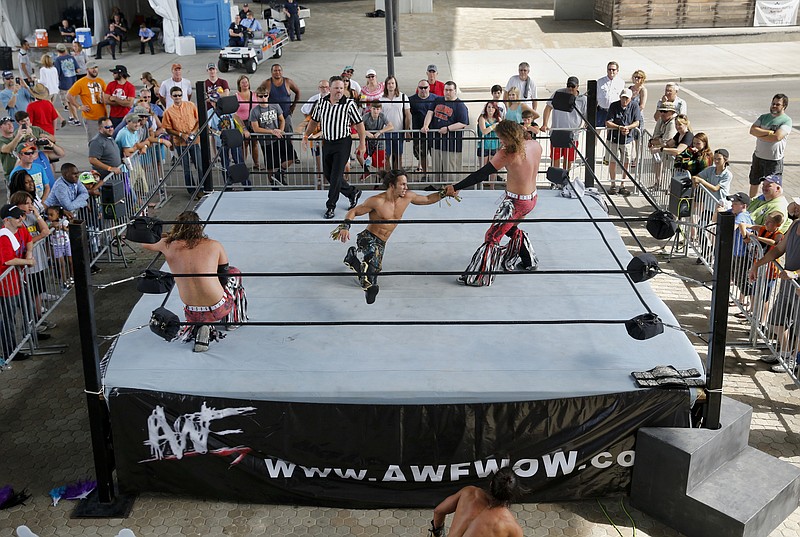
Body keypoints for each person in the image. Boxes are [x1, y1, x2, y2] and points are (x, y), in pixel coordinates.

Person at [444, 120, 542, 286]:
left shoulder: (508, 153)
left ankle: (478, 275)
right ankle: (528, 260)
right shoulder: (535, 145)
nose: (500, 142)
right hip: (531, 199)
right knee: (510, 229)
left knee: (492, 236)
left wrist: (456, 186)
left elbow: (481, 174)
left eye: (502, 139)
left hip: (515, 203)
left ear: (510, 137)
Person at [332, 169, 450, 304]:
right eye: (403, 184)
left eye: (406, 184)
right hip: (368, 238)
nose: (406, 187)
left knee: (372, 273)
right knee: (372, 261)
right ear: (392, 185)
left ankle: (353, 259)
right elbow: (354, 211)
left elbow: (428, 199)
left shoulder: (407, 197)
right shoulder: (377, 201)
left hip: (382, 242)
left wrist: (445, 193)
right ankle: (368, 283)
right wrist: (345, 226)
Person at [141, 210, 243, 353]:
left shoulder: (167, 245)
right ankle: (232, 321)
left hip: (192, 312)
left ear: (176, 227)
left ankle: (201, 326)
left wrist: (165, 235)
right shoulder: (214, 245)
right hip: (219, 308)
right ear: (199, 227)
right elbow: (224, 275)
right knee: (235, 273)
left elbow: (145, 243)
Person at [303, 75, 366, 219]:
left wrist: (362, 144)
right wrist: (306, 135)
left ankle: (330, 206)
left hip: (343, 142)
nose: (339, 91)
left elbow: (360, 125)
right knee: (328, 175)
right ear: (330, 88)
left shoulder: (349, 104)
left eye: (342, 88)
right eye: (336, 88)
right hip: (328, 142)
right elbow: (313, 121)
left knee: (336, 175)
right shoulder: (321, 103)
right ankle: (352, 192)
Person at [750, 199, 800, 373]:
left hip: (796, 283)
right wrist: (757, 264)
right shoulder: (795, 225)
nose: (795, 208)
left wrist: (796, 273)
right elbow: (779, 249)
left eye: (798, 206)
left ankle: (794, 360)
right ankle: (785, 353)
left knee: (799, 327)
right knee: (776, 322)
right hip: (787, 284)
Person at [430, 467, 524, 537]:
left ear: (491, 483)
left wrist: (438, 532)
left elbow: (438, 511)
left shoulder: (469, 492)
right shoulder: (511, 525)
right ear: (513, 495)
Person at [0, 204, 34, 362]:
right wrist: (27, 261)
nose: (22, 218)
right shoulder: (4, 237)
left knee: (27, 308)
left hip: (16, 282)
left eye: (21, 215)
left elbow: (29, 240)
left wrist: (29, 255)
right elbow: (8, 260)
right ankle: (10, 350)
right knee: (8, 319)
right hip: (6, 286)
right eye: (17, 217)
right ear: (7, 220)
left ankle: (30, 337)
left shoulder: (17, 230)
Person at [421, 81, 469, 180]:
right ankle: (436, 185)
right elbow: (430, 113)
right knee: (436, 165)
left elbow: (463, 123)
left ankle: (450, 186)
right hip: (436, 141)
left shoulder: (460, 105)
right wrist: (425, 125)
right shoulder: (438, 100)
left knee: (450, 166)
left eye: (450, 90)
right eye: (446, 90)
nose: (447, 92)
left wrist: (448, 129)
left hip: (451, 143)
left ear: (455, 91)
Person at [748, 94, 792, 198]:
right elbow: (752, 130)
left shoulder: (786, 120)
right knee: (754, 182)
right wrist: (770, 132)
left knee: (772, 188)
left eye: (778, 104)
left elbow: (777, 137)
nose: (774, 106)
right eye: (773, 103)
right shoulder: (763, 117)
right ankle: (752, 204)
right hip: (758, 157)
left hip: (774, 160)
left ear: (784, 106)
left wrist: (760, 135)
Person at [249, 85, 295, 186]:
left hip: (279, 138)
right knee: (270, 165)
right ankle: (272, 184)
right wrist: (271, 132)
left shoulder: (275, 106)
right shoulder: (254, 111)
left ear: (268, 95)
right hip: (266, 142)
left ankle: (280, 173)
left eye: (265, 96)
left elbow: (282, 119)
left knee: (291, 157)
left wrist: (280, 130)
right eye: (260, 96)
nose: (263, 98)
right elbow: (256, 128)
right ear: (257, 97)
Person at [162, 87, 202, 195]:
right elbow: (167, 128)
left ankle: (202, 188)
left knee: (200, 165)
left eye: (179, 95)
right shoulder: (168, 112)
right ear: (171, 96)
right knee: (186, 168)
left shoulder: (191, 105)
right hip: (180, 143)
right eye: (175, 95)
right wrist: (180, 134)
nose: (178, 97)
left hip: (194, 141)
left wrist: (193, 132)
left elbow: (198, 120)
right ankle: (192, 191)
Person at [541, 76, 586, 170]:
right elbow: (548, 108)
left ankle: (566, 178)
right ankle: (555, 181)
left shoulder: (583, 99)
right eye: (568, 86)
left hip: (573, 135)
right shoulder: (558, 93)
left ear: (577, 87)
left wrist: (585, 125)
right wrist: (545, 124)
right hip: (557, 132)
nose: (570, 88)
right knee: (555, 157)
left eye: (573, 86)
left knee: (569, 159)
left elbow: (586, 115)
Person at [604, 88, 641, 196]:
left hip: (627, 139)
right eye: (623, 97)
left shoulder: (634, 106)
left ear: (630, 99)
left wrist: (628, 128)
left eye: (626, 98)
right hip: (613, 138)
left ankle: (623, 184)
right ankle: (613, 184)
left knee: (626, 161)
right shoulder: (613, 105)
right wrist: (619, 127)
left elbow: (637, 122)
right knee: (612, 161)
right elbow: (608, 122)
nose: (624, 100)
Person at [67, 61, 108, 143]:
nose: (95, 70)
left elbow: (107, 94)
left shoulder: (101, 81)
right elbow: (69, 95)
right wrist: (79, 106)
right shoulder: (81, 82)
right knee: (94, 141)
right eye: (92, 68)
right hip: (90, 118)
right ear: (87, 69)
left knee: (105, 140)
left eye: (96, 68)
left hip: (103, 117)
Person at [380, 75, 411, 170]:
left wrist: (406, 131)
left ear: (396, 84)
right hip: (386, 132)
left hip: (399, 131)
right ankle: (389, 177)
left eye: (392, 83)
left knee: (398, 155)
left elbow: (407, 115)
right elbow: (380, 117)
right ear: (386, 85)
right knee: (386, 156)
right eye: (388, 83)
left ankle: (398, 175)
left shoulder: (402, 97)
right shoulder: (382, 99)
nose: (390, 85)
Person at [408, 79, 436, 180]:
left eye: (425, 87)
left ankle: (437, 175)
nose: (423, 90)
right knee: (422, 155)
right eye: (421, 88)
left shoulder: (436, 99)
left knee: (435, 155)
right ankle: (425, 174)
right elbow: (405, 115)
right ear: (417, 88)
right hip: (418, 133)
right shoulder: (411, 100)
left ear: (429, 88)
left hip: (433, 133)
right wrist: (407, 130)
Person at [263, 63, 300, 133]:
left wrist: (293, 106)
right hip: (272, 117)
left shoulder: (288, 81)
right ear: (271, 72)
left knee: (288, 137)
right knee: (274, 137)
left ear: (282, 72)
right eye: (275, 70)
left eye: (279, 70)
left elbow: (298, 92)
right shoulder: (267, 83)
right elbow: (258, 94)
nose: (277, 72)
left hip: (286, 114)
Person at [360, 101, 392, 176]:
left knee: (380, 165)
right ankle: (366, 170)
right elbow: (357, 125)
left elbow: (391, 126)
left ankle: (379, 180)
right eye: (374, 109)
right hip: (368, 143)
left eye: (378, 109)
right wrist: (366, 132)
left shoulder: (382, 116)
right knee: (359, 153)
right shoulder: (366, 116)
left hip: (380, 143)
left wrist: (380, 132)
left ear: (380, 109)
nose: (376, 111)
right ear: (370, 109)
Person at [45, 204, 72, 289]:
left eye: (51, 215)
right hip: (56, 245)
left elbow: (69, 228)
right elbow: (46, 230)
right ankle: (64, 280)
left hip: (66, 243)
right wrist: (51, 226)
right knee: (62, 264)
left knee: (70, 261)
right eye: (48, 215)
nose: (49, 217)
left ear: (57, 213)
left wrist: (64, 228)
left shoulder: (63, 220)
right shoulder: (48, 223)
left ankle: (71, 277)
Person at [54, 44, 80, 126]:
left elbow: (57, 73)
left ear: (58, 51)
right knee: (71, 102)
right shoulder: (71, 58)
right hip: (73, 82)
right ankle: (71, 116)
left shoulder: (58, 60)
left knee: (69, 102)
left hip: (64, 83)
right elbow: (78, 70)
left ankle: (76, 119)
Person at [476, 101, 502, 185]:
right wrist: (493, 126)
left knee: (493, 167)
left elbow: (501, 132)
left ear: (495, 109)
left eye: (492, 107)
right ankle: (481, 185)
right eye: (489, 107)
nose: (490, 109)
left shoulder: (498, 119)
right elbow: (484, 131)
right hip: (483, 145)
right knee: (483, 167)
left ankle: (492, 186)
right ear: (486, 108)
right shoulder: (482, 118)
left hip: (494, 145)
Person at [596, 61, 624, 127]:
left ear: (617, 71)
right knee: (598, 130)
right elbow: (596, 97)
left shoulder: (621, 82)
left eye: (613, 70)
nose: (611, 71)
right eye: (609, 69)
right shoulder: (600, 81)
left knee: (613, 131)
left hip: (614, 111)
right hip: (602, 110)